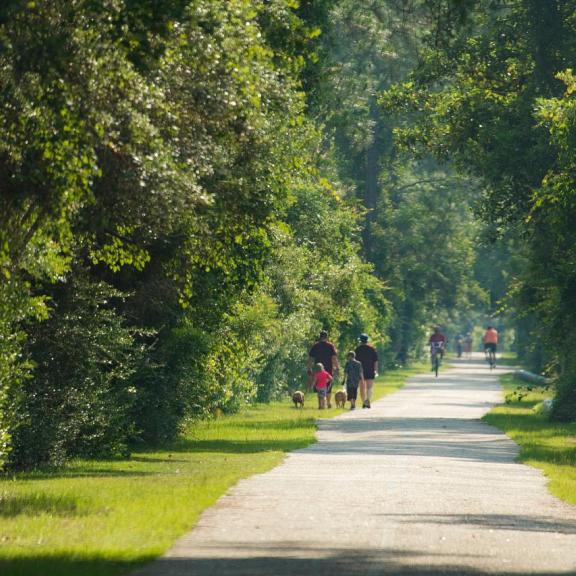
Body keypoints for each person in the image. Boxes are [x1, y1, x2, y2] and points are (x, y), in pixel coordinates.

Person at [308, 330, 339, 408]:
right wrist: (337, 367)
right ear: (327, 337)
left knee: (319, 385)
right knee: (328, 386)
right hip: (328, 369)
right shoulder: (330, 346)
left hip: (317, 369)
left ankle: (321, 403)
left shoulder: (315, 346)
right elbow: (334, 358)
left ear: (320, 337)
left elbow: (311, 359)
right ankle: (328, 402)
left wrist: (309, 368)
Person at [355, 333, 378, 409]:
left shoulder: (357, 349)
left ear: (360, 341)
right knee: (369, 387)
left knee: (362, 387)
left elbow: (355, 361)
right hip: (370, 369)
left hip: (360, 370)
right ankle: (368, 400)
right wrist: (376, 370)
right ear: (367, 341)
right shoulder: (372, 349)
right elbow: (375, 361)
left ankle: (363, 402)